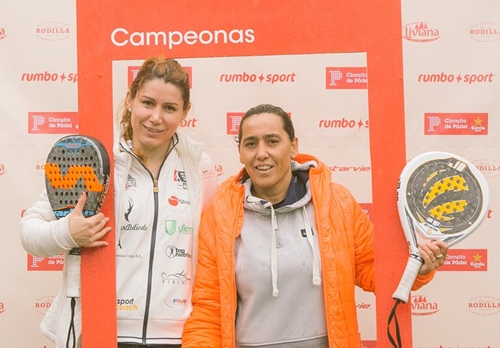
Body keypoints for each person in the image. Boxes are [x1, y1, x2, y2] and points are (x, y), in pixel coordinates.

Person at [181, 103, 449, 348]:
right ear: (240, 152)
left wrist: (417, 268)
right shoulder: (221, 215)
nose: (261, 153)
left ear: (293, 146)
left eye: (272, 141)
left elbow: (371, 271)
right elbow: (209, 308)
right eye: (250, 144)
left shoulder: (337, 202)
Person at [19, 56, 219, 348]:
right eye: (148, 103)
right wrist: (68, 233)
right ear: (130, 100)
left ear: (185, 112)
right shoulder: (92, 159)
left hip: (178, 336)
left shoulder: (200, 165)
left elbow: (211, 250)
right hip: (101, 330)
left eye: (170, 108)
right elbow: (29, 232)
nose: (156, 117)